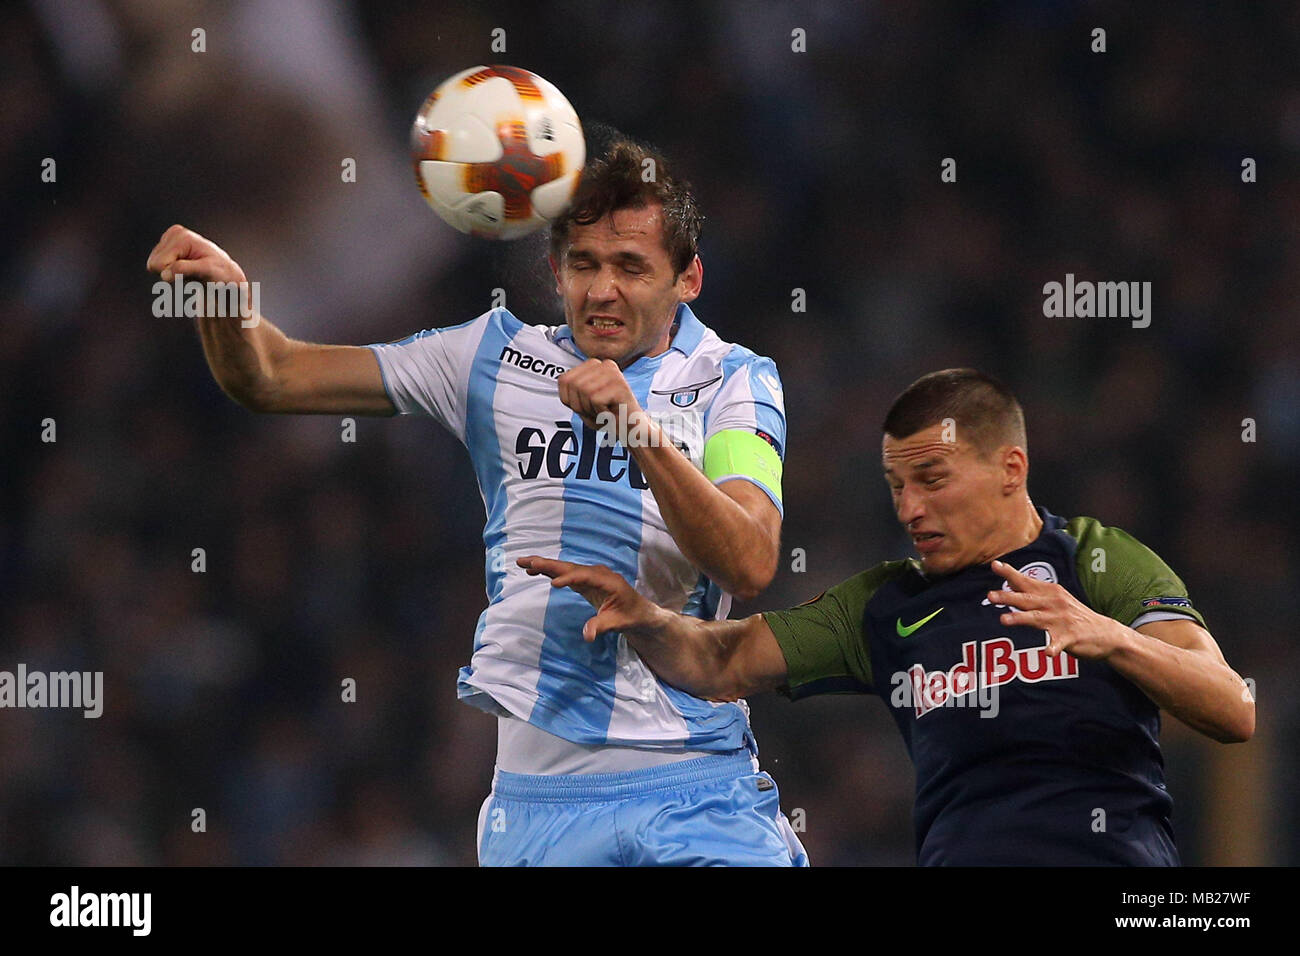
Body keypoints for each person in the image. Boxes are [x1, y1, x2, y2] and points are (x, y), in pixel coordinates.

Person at [146, 140, 807, 866]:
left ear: (689, 279)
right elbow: (271, 376)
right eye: (584, 264)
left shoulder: (733, 381)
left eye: (631, 267)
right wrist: (224, 302)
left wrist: (638, 432)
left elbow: (749, 560)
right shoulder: (489, 357)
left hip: (696, 789)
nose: (603, 290)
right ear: (555, 271)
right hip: (539, 808)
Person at [520, 368, 1255, 866]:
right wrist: (644, 617)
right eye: (897, 485)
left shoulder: (1095, 560)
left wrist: (1111, 638)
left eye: (932, 480)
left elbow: (1233, 708)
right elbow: (721, 661)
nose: (909, 509)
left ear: (1010, 470)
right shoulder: (887, 604)